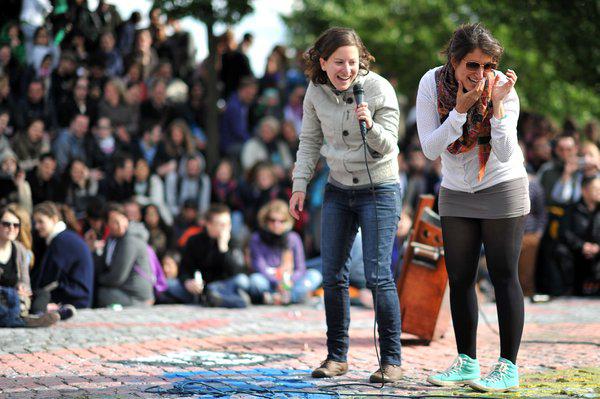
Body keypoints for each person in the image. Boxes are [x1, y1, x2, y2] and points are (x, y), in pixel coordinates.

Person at [416, 24, 527, 392]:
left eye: (487, 65)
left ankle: (508, 366)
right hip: (457, 188)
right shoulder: (431, 84)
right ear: (454, 61)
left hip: (501, 184)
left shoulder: (503, 91)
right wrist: (459, 112)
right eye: (472, 65)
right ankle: (466, 362)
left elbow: (508, 151)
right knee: (460, 277)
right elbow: (430, 148)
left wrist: (496, 106)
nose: (480, 74)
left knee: (503, 274)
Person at [289, 27, 403, 383]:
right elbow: (309, 141)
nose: (346, 70)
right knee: (331, 275)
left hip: (379, 189)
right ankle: (337, 357)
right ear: (323, 62)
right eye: (338, 62)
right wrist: (299, 186)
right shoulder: (315, 91)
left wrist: (370, 123)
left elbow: (390, 146)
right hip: (338, 188)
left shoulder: (379, 89)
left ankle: (392, 362)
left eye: (352, 62)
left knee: (377, 276)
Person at [248, 200, 322, 305]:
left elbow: (300, 268)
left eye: (281, 221)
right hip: (269, 281)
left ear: (287, 222)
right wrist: (277, 282)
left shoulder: (293, 238)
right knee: (255, 281)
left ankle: (283, 298)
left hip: (290, 283)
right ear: (265, 220)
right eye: (272, 220)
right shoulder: (257, 238)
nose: (276, 224)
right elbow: (259, 267)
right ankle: (291, 297)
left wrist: (290, 281)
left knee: (315, 276)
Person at [179, 204, 250, 308]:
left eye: (228, 224)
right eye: (221, 224)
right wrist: (187, 282)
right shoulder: (194, 241)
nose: (226, 228)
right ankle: (227, 299)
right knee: (171, 285)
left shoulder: (233, 240)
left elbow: (237, 271)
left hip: (223, 285)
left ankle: (217, 299)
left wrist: (223, 248)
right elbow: (184, 268)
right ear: (208, 224)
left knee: (242, 281)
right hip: (199, 286)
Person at [0, 205, 59, 328]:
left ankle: (37, 315)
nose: (11, 228)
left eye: (16, 225)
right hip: (4, 298)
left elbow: (25, 281)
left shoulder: (19, 249)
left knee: (43, 293)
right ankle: (26, 321)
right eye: (6, 224)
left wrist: (23, 289)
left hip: (15, 298)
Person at [31, 202, 94, 313]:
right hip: (77, 296)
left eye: (41, 221)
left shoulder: (61, 240)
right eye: (36, 222)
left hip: (75, 300)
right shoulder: (65, 237)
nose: (37, 227)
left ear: (54, 219)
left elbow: (48, 276)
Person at [93, 203, 155, 307]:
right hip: (123, 289)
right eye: (113, 221)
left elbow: (117, 278)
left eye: (121, 219)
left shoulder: (129, 240)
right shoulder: (112, 239)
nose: (119, 224)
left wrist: (97, 279)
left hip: (137, 297)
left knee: (100, 293)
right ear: (107, 223)